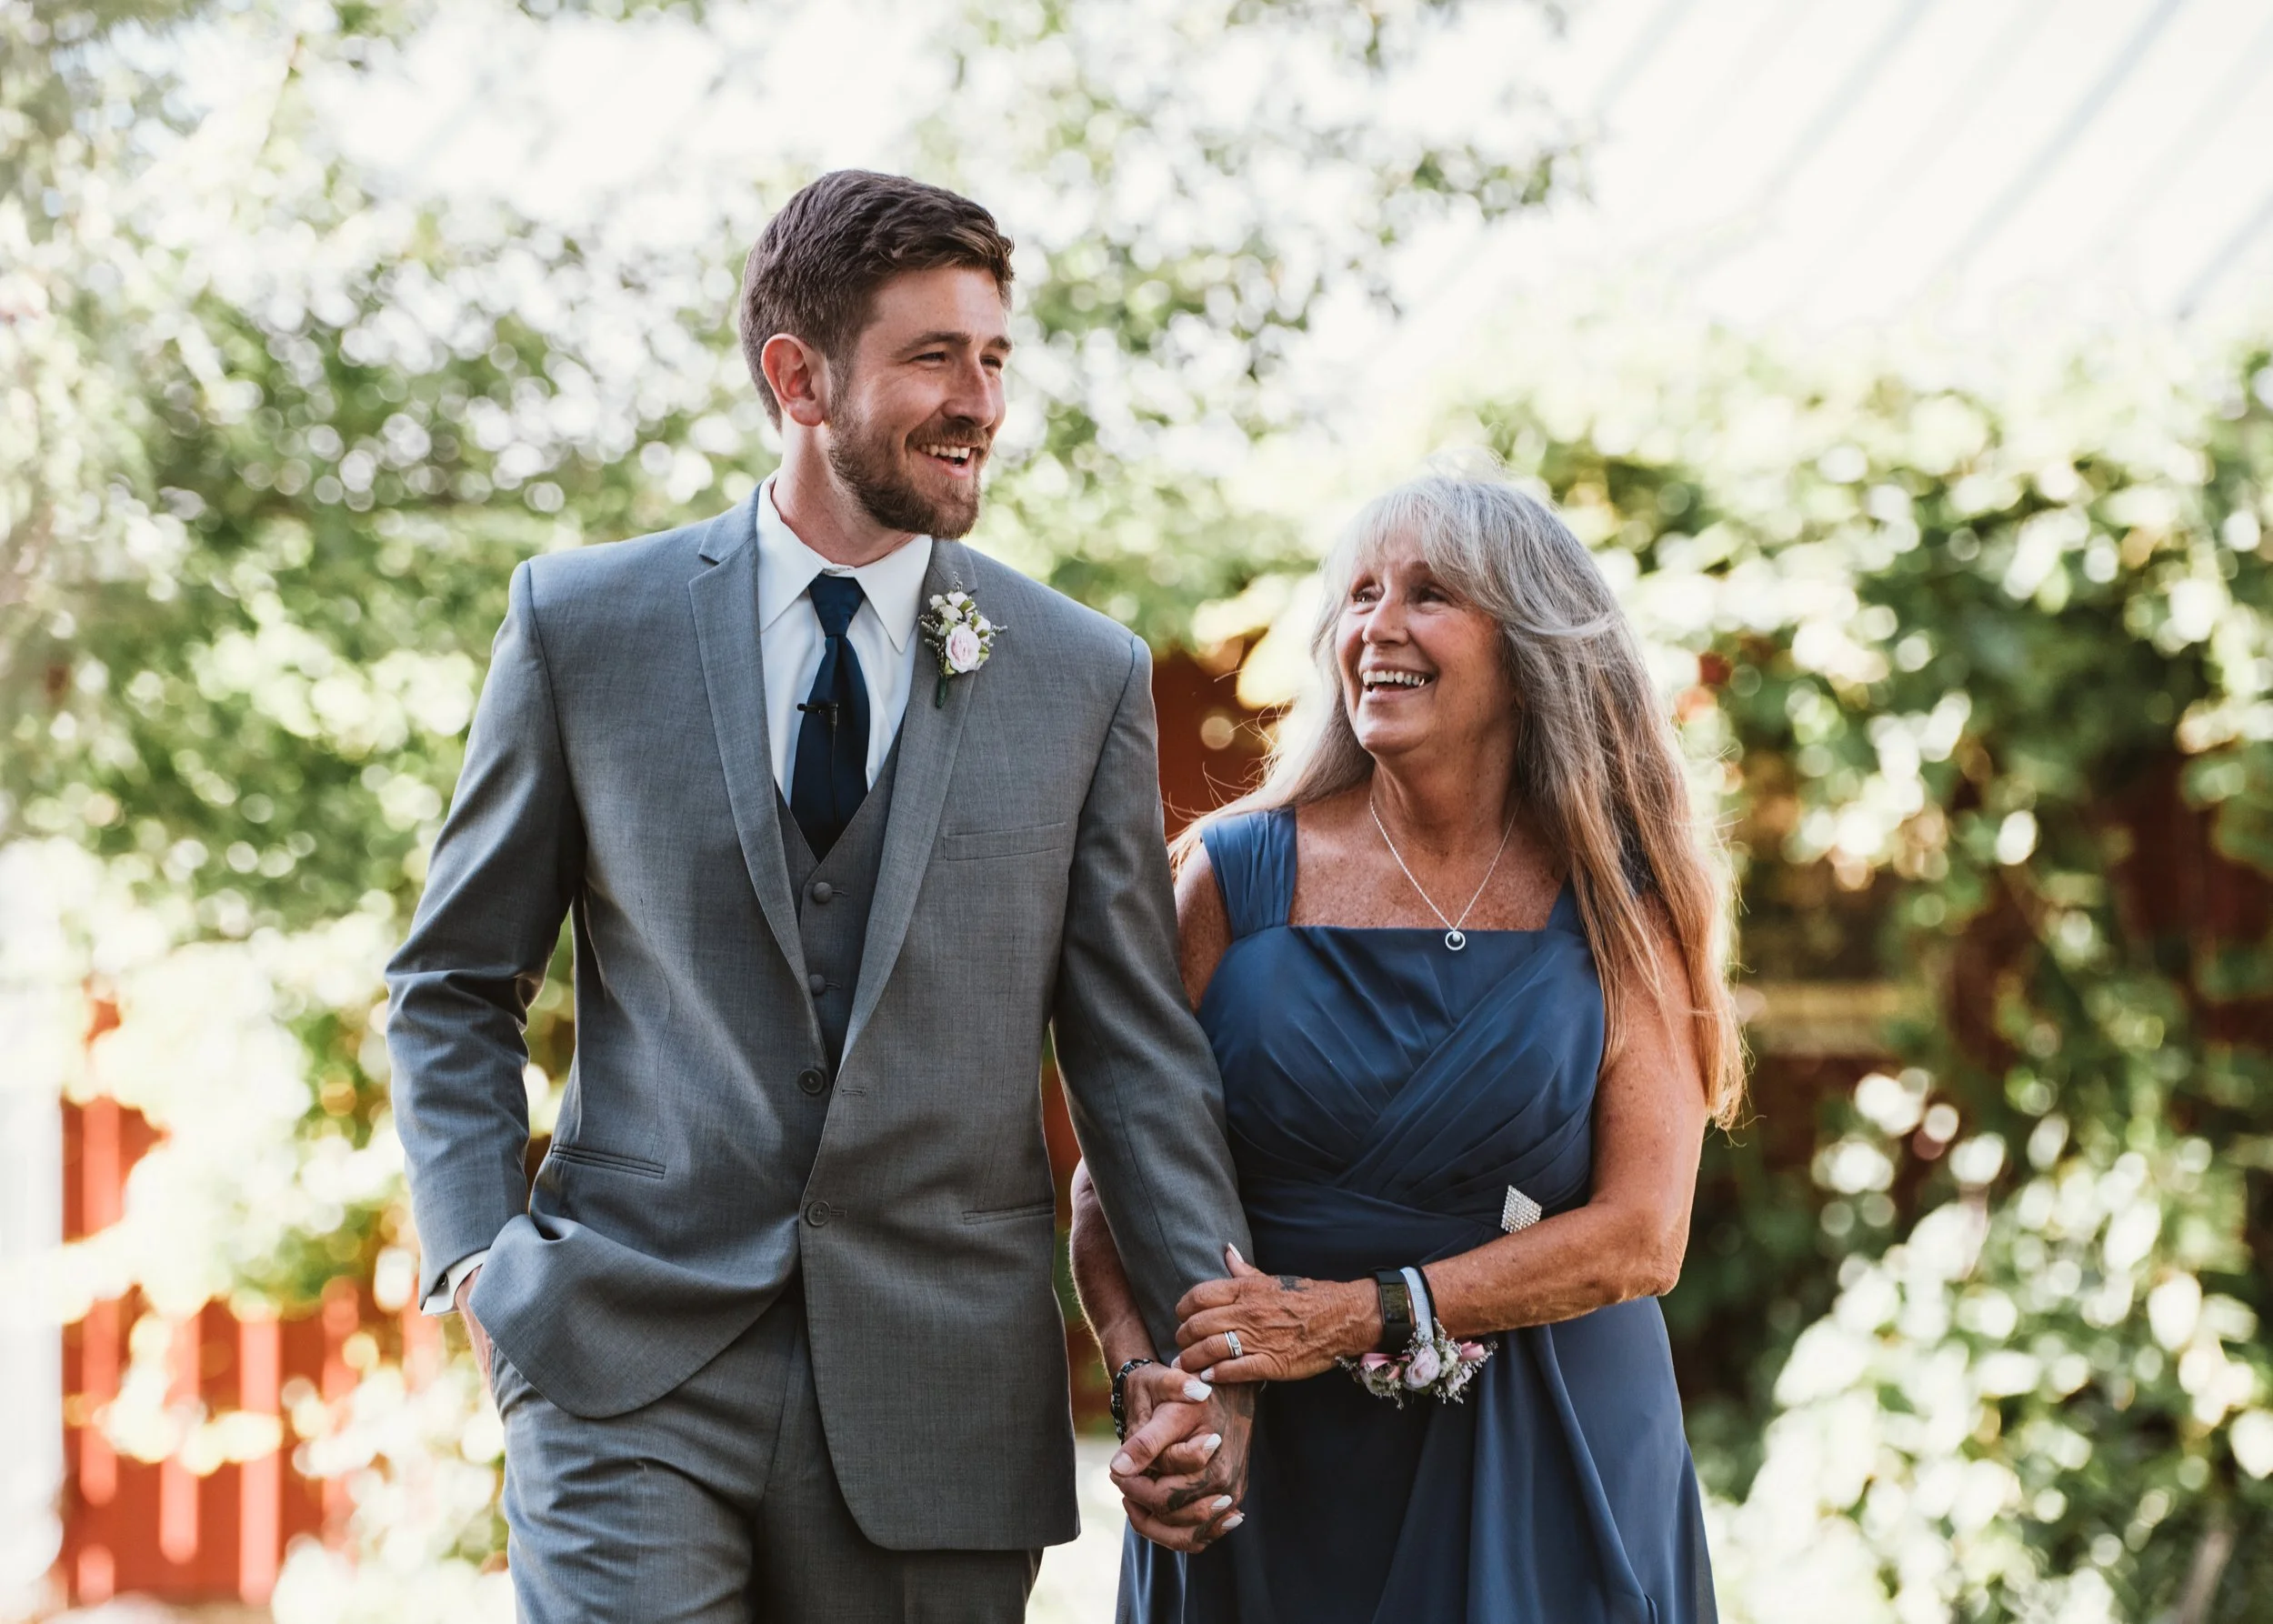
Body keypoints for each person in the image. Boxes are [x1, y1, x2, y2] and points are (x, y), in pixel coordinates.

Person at [386, 169, 1252, 1624]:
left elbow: (1134, 1058)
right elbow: (456, 978)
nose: (979, 398)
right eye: (933, 356)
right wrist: (481, 1257)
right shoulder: (584, 625)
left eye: (994, 357)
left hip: (943, 1385)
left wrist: (1201, 1365)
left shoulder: (1076, 673)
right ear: (800, 377)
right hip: (624, 1364)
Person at [1073, 471, 1743, 1623]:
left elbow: (1644, 1233)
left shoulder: (1618, 899)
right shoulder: (1234, 873)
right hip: (1269, 1463)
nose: (1376, 626)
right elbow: (1111, 1178)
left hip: (1549, 1441)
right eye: (1360, 595)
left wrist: (1355, 1314)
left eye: (1429, 595)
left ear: (1527, 644)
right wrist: (1151, 1383)